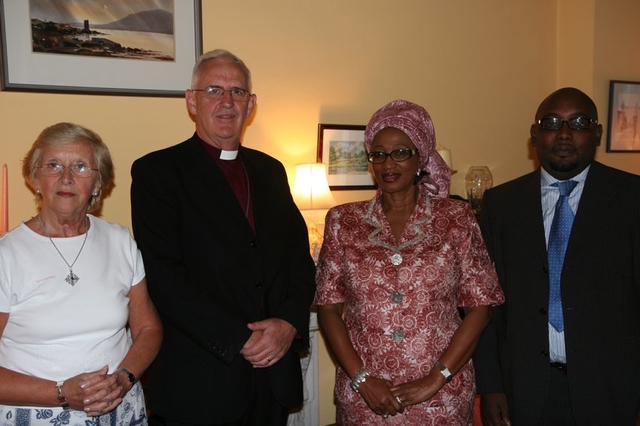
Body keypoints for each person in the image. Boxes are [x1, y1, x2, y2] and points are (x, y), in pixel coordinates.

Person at [130, 49, 316, 426]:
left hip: (272, 379)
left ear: (252, 104)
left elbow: (300, 262)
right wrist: (238, 338)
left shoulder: (271, 170)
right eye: (214, 90)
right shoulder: (158, 173)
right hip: (202, 381)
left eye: (238, 92)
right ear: (191, 100)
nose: (227, 102)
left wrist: (289, 324)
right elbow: (165, 278)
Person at [314, 99, 505, 425]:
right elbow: (329, 308)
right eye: (379, 154)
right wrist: (362, 380)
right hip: (366, 397)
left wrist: (435, 378)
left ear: (421, 157)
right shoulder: (343, 221)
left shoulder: (455, 218)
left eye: (401, 152)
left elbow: (480, 307)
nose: (389, 164)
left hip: (441, 395)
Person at [473, 87, 640, 426]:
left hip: (612, 390)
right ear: (535, 135)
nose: (564, 133)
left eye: (578, 123)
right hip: (526, 389)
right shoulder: (500, 205)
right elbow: (485, 304)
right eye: (552, 123)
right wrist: (490, 385)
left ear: (597, 132)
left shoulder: (632, 198)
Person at [0, 122, 162, 424]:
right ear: (34, 178)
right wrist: (61, 393)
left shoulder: (119, 241)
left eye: (80, 166)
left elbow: (148, 329)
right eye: (52, 165)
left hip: (119, 409)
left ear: (99, 184)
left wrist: (123, 379)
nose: (66, 177)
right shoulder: (7, 255)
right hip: (36, 414)